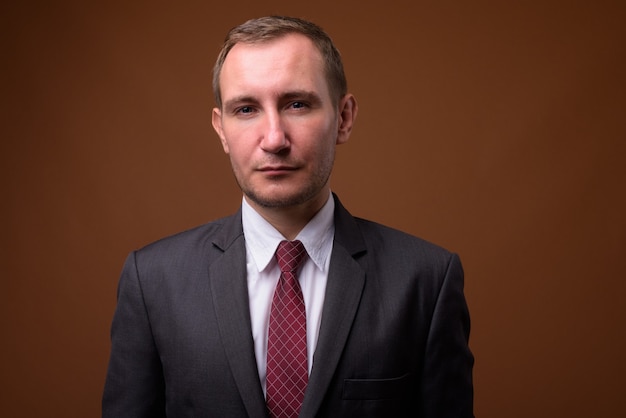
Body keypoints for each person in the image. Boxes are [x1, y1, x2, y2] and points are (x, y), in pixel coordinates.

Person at [102, 15, 474, 418]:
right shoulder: (153, 280)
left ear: (344, 118)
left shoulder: (426, 280)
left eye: (297, 104)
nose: (274, 139)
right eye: (246, 109)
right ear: (221, 130)